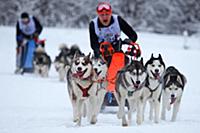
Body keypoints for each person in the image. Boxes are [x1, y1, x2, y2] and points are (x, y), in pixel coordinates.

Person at [89, 2, 141, 105]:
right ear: (98, 15)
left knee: (121, 65)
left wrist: (128, 40)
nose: (104, 17)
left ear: (110, 13)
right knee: (99, 69)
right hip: (101, 53)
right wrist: (100, 50)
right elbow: (93, 43)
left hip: (116, 50)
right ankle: (100, 95)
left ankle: (119, 93)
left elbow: (133, 35)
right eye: (102, 15)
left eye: (107, 14)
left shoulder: (118, 20)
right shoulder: (93, 24)